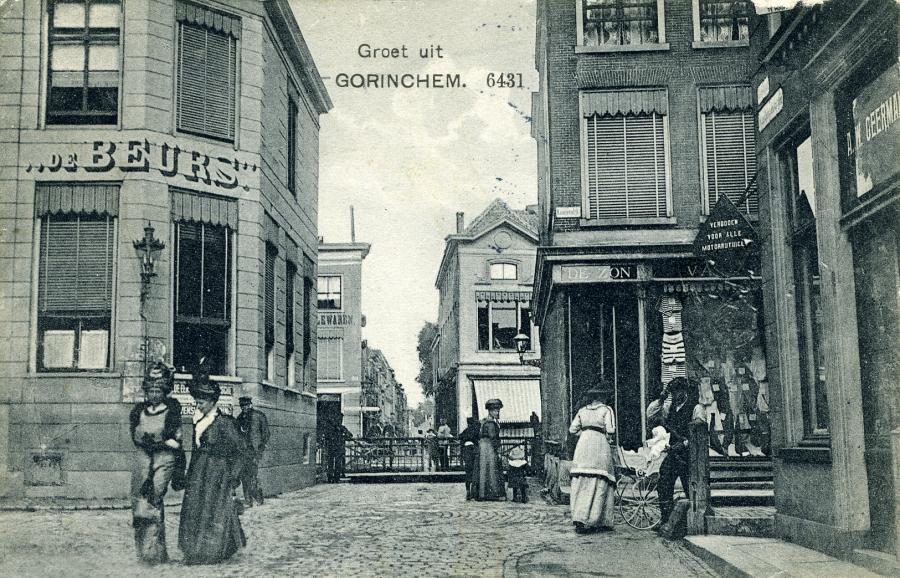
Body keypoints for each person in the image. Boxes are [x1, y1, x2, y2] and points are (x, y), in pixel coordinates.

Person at [178, 371, 249, 565]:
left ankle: (211, 552)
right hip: (198, 473)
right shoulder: (198, 420)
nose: (198, 405)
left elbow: (243, 450)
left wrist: (233, 476)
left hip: (217, 473)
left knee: (214, 510)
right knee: (195, 510)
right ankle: (194, 550)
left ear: (212, 401)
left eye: (201, 402)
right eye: (196, 402)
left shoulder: (225, 422)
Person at [129, 361, 185, 565]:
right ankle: (146, 553)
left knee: (153, 499)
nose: (153, 393)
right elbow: (135, 435)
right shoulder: (138, 411)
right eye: (150, 389)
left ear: (165, 390)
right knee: (138, 502)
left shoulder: (172, 412)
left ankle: (154, 553)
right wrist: (144, 440)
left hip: (164, 458)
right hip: (143, 458)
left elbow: (176, 441)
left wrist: (159, 442)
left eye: (158, 389)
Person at [568, 387, 617, 533]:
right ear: (604, 397)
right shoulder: (606, 410)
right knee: (600, 478)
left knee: (582, 478)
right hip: (599, 445)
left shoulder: (582, 410)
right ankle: (599, 520)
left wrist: (584, 433)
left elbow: (572, 429)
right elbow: (611, 429)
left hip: (583, 445)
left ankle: (579, 518)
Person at [656, 377, 700, 528]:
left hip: (689, 455)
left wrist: (684, 443)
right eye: (673, 393)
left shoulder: (696, 408)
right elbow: (652, 415)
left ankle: (695, 520)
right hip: (673, 454)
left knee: (690, 487)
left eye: (678, 392)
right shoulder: (670, 408)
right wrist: (661, 400)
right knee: (664, 482)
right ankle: (666, 519)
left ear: (684, 392)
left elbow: (699, 433)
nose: (675, 396)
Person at [236, 396, 270, 507]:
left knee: (253, 475)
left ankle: (258, 498)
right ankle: (248, 500)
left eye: (246, 405)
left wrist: (260, 448)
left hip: (255, 451)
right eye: (242, 406)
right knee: (244, 475)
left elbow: (266, 433)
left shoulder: (259, 416)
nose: (244, 408)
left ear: (250, 405)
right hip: (243, 451)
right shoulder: (240, 418)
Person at [474, 399, 505, 501]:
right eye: (496, 411)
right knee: (491, 469)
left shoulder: (484, 421)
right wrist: (498, 449)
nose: (497, 412)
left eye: (498, 410)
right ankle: (492, 493)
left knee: (483, 469)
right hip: (489, 447)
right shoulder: (490, 423)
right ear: (490, 411)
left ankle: (482, 493)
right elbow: (493, 437)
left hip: (483, 447)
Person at [323, 414, 352, 483]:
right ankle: (330, 477)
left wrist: (344, 434)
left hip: (339, 448)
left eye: (341, 419)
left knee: (337, 463)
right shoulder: (331, 428)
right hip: (332, 447)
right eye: (339, 419)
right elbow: (326, 436)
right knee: (330, 463)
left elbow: (350, 435)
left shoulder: (342, 428)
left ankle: (336, 477)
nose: (340, 420)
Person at [458, 417, 479, 499]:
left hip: (466, 451)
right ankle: (475, 492)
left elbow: (460, 436)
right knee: (475, 471)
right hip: (474, 451)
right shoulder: (475, 430)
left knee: (468, 472)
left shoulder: (466, 431)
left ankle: (468, 491)